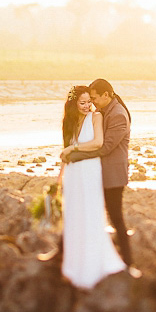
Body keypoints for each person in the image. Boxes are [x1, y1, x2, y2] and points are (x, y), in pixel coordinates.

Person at [56, 85, 127, 289]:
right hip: (73, 172)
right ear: (73, 104)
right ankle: (72, 261)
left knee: (90, 211)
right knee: (73, 212)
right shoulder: (68, 123)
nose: (88, 106)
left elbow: (98, 142)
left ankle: (95, 261)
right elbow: (64, 153)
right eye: (83, 103)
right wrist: (59, 179)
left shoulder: (96, 117)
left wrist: (73, 148)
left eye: (90, 101)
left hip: (89, 169)